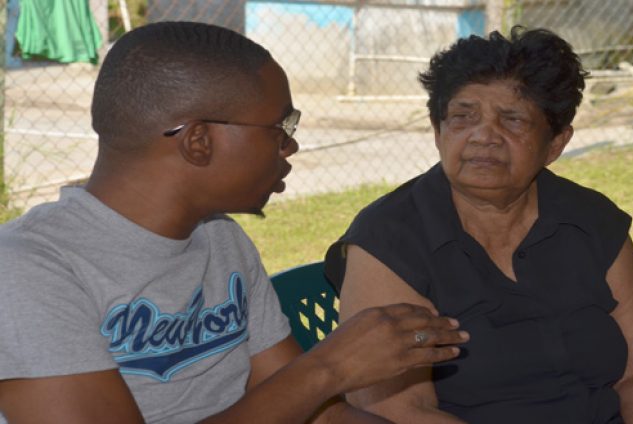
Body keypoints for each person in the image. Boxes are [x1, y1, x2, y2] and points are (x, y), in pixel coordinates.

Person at [0, 21, 469, 423]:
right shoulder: (30, 270)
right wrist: (329, 367)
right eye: (281, 128)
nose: (291, 148)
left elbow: (318, 414)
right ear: (199, 141)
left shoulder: (221, 239)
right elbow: (306, 388)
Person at [324, 27, 633, 423]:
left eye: (512, 120)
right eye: (463, 117)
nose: (484, 137)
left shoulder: (591, 220)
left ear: (555, 144)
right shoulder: (390, 239)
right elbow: (400, 411)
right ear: (438, 132)